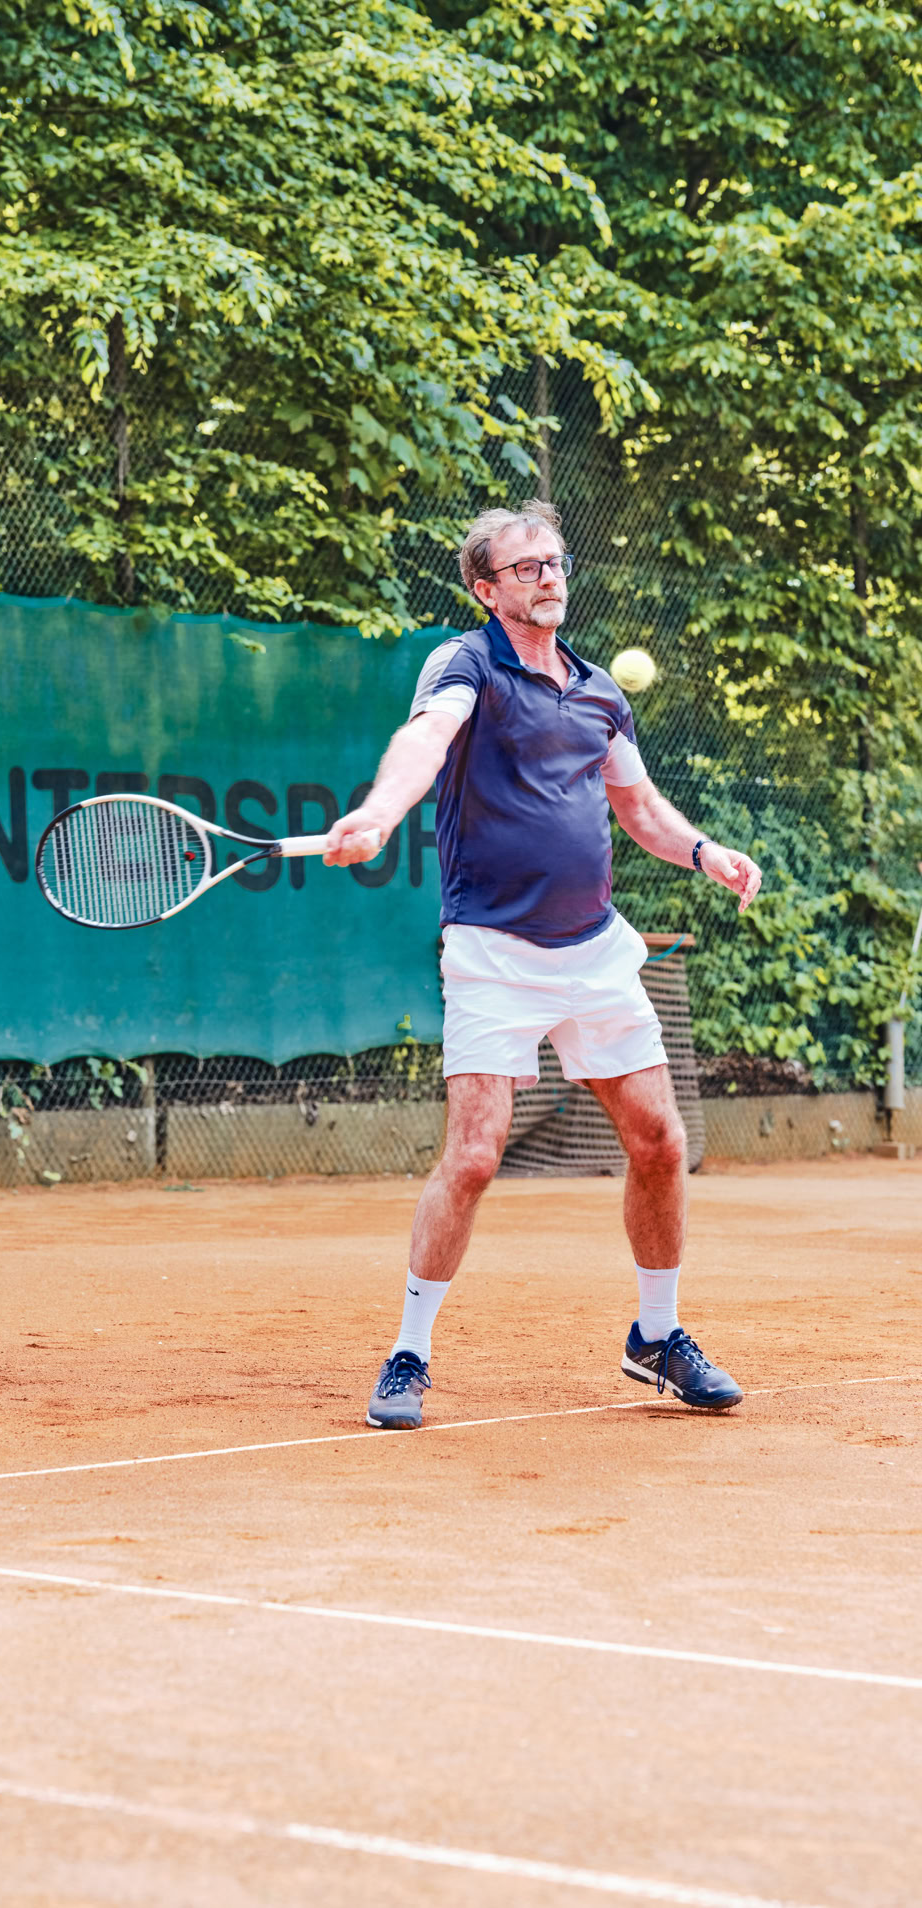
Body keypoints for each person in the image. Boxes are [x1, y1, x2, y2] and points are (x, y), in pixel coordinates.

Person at [323, 499, 762, 1428]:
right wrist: (380, 812)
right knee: (476, 1156)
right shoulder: (467, 664)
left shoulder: (602, 692)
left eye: (555, 561)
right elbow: (424, 744)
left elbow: (639, 809)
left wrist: (704, 851)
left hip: (596, 949)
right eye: (525, 567)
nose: (548, 576)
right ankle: (409, 1352)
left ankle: (657, 1335)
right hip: (491, 950)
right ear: (485, 588)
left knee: (659, 1141)